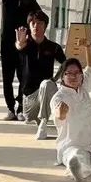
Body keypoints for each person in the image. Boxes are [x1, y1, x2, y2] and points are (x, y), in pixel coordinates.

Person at [0, 0, 41, 121]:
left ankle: (21, 108)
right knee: (7, 78)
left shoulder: (30, 0)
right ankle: (10, 108)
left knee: (23, 77)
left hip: (25, 44)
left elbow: (40, 18)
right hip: (7, 43)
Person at [50, 40, 91, 182]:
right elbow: (58, 115)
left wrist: (88, 47)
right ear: (62, 76)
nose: (74, 77)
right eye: (69, 73)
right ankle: (75, 167)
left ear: (81, 75)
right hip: (73, 144)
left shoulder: (83, 87)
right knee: (78, 156)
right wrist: (61, 112)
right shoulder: (58, 97)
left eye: (77, 73)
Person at [15, 11, 68, 140]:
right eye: (33, 23)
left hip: (47, 93)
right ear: (29, 25)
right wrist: (20, 43)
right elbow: (19, 47)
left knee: (47, 84)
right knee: (30, 114)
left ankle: (43, 123)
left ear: (45, 26)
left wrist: (56, 78)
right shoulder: (26, 44)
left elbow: (66, 64)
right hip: (30, 99)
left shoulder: (53, 47)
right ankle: (39, 118)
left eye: (39, 23)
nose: (36, 26)